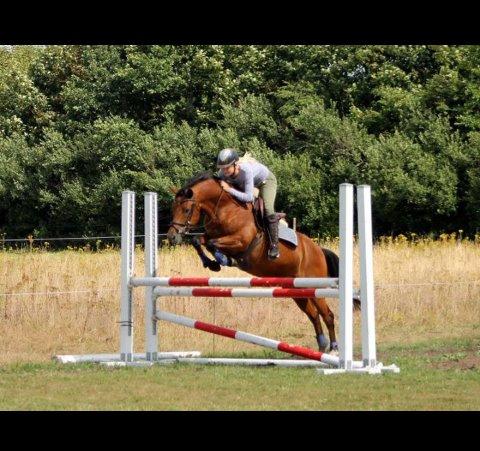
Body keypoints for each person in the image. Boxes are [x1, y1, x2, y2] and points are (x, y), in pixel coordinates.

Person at [216, 148, 280, 260]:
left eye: (227, 168)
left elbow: (249, 197)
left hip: (266, 182)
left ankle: (274, 246)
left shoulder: (246, 171)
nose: (225, 171)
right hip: (247, 184)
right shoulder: (222, 173)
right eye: (222, 168)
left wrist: (229, 189)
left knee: (268, 209)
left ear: (235, 165)